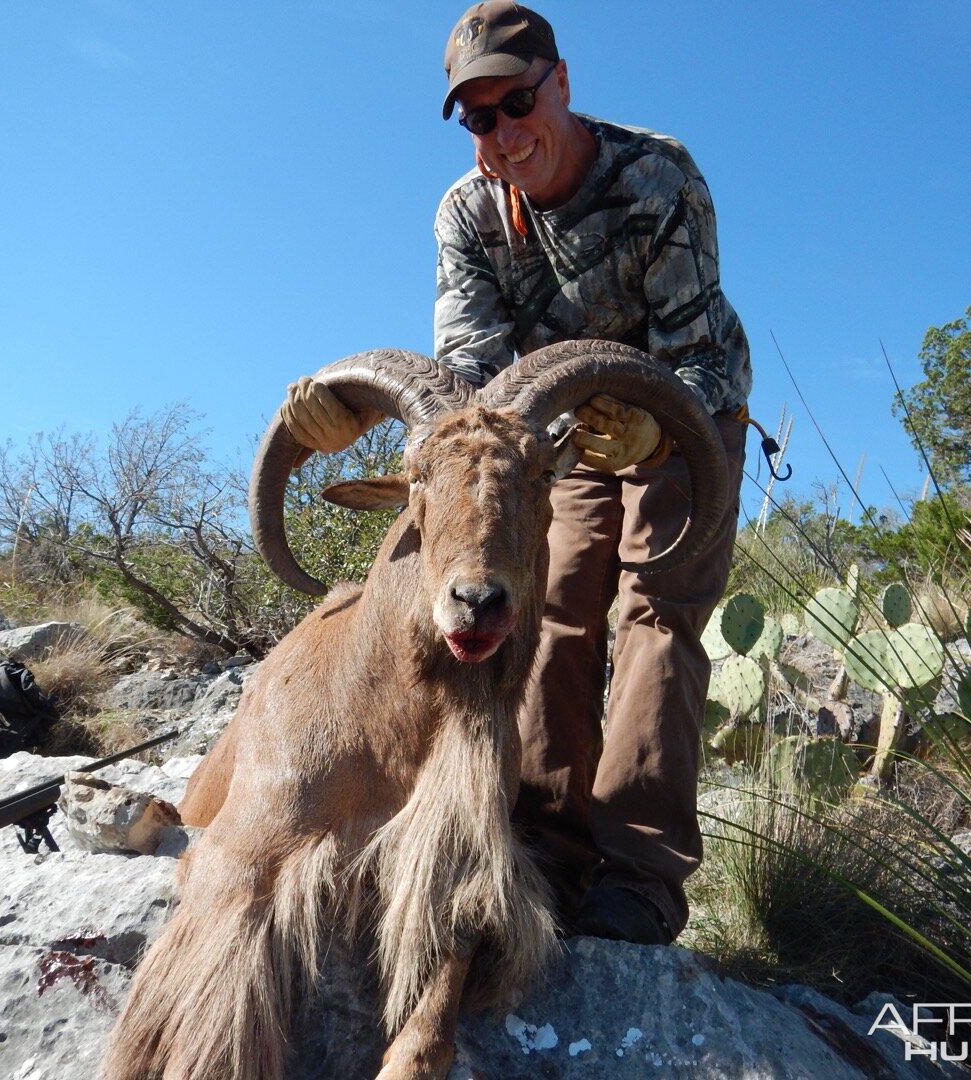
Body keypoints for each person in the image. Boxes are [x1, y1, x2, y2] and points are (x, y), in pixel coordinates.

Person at [282, 1, 751, 945]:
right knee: (558, 606)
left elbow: (694, 352)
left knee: (656, 606)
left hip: (683, 416)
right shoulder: (464, 213)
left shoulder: (657, 177)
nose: (501, 131)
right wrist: (354, 413)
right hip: (553, 439)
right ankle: (545, 845)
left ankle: (641, 874)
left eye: (517, 101)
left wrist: (658, 437)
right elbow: (471, 378)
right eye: (478, 116)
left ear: (561, 83)